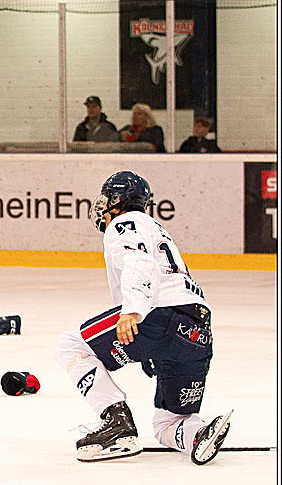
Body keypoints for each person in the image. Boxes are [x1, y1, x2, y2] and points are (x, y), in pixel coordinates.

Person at [54, 171, 231, 465]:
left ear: (116, 200)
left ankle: (116, 423)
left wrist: (132, 310)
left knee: (70, 345)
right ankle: (197, 434)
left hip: (158, 315)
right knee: (168, 423)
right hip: (197, 332)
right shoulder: (155, 228)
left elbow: (140, 261)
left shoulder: (124, 223)